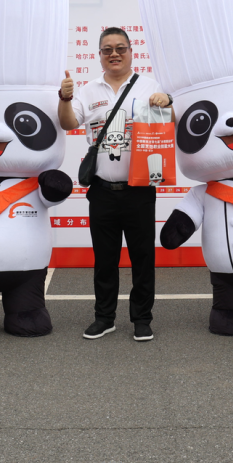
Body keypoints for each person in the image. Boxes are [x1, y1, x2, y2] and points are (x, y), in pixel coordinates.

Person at [58, 27, 172, 342]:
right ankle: (104, 317)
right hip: (102, 191)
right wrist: (65, 99)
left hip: (139, 190)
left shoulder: (149, 86)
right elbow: (68, 122)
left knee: (142, 258)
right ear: (99, 55)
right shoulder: (88, 90)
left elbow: (173, 117)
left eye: (120, 48)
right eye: (107, 49)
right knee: (105, 259)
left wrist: (168, 100)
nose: (114, 54)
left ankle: (142, 319)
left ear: (131, 52)